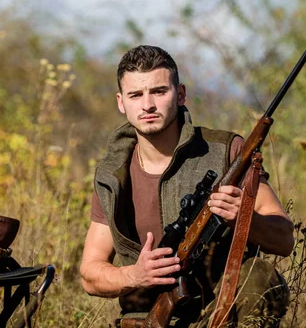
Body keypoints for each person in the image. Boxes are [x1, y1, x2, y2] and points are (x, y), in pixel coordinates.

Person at [80, 45, 294, 327]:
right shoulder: (113, 175)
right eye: (136, 95)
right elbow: (90, 273)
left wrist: (245, 218)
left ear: (180, 94)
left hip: (223, 311)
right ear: (121, 102)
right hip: (145, 319)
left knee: (260, 276)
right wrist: (135, 275)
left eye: (158, 91)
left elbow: (284, 239)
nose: (147, 105)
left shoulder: (228, 152)